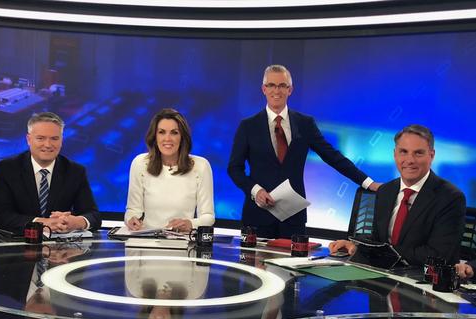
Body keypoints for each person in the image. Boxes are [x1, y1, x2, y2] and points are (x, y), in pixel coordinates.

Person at [227, 64, 380, 238]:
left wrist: (368, 183)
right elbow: (234, 168)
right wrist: (256, 191)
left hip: (293, 218)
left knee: (289, 265)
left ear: (290, 90)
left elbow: (333, 157)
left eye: (282, 85)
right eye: (271, 85)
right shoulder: (248, 126)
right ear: (263, 89)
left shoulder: (305, 123)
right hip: (257, 217)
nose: (276, 90)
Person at [330, 124, 466, 266]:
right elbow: (376, 241)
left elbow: (438, 255)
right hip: (382, 275)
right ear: (395, 154)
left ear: (431, 156)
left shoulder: (450, 198)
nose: (410, 160)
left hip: (420, 279)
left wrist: (382, 253)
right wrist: (356, 247)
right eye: (403, 152)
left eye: (418, 153)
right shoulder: (385, 191)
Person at [0, 112, 101, 235]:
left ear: (61, 140)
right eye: (40, 138)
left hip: (61, 249)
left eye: (54, 138)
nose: (48, 145)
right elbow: (0, 216)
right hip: (17, 246)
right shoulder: (6, 169)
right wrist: (41, 223)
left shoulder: (75, 171)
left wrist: (76, 222)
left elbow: (93, 215)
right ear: (29, 139)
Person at [125, 108, 214, 233]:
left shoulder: (201, 166)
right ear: (154, 137)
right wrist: (131, 219)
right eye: (161, 132)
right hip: (147, 240)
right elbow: (132, 210)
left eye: (174, 132)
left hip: (182, 243)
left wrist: (191, 223)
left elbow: (208, 216)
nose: (167, 138)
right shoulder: (140, 163)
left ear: (182, 136)